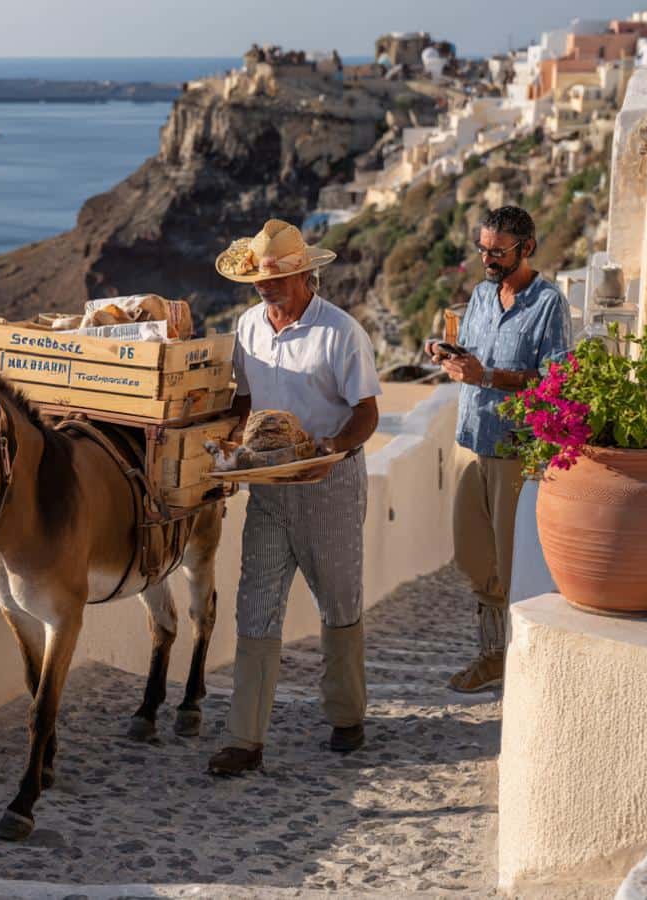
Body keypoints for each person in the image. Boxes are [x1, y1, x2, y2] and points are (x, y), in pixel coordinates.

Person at [207, 219, 381, 775]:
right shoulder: (248, 327)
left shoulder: (341, 333)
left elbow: (367, 412)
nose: (266, 286)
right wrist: (227, 442)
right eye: (260, 277)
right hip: (268, 487)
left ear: (307, 274)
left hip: (330, 482)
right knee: (254, 603)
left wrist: (331, 446)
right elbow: (244, 399)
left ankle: (347, 714)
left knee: (338, 598)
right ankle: (244, 739)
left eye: (278, 277)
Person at [426, 206, 570, 692]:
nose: (486, 259)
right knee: (474, 558)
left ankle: (521, 665)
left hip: (513, 452)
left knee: (512, 566)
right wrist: (450, 357)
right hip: (469, 442)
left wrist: (486, 376)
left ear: (526, 249)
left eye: (497, 251)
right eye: (482, 248)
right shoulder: (482, 296)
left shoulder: (549, 304)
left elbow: (555, 379)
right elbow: (472, 357)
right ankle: (492, 658)